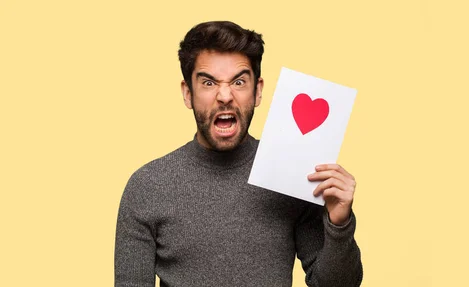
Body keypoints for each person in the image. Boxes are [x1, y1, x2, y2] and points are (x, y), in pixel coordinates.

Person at [114, 20, 363, 287]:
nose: (225, 96)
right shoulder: (148, 186)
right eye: (209, 83)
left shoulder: (292, 174)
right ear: (188, 94)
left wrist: (339, 222)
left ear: (257, 91)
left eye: (239, 81)